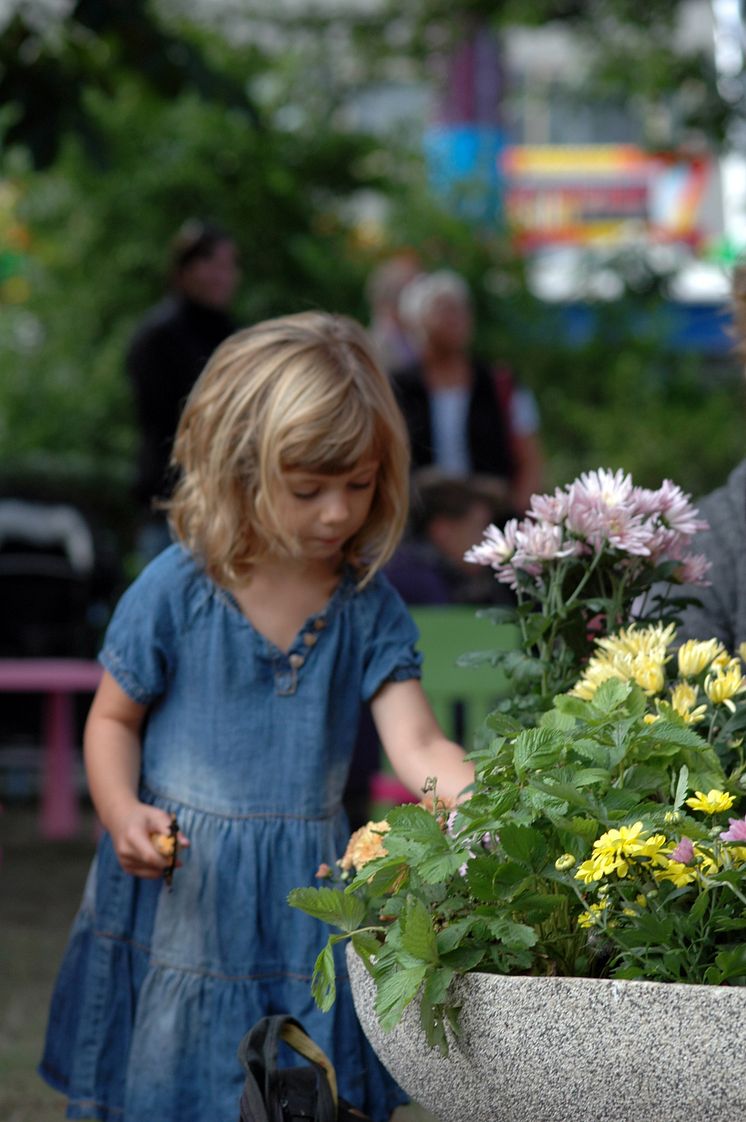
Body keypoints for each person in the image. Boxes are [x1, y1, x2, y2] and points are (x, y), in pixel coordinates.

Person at [39, 312, 473, 1122]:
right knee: (170, 1093)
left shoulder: (365, 607)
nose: (339, 513)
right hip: (182, 899)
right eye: (308, 489)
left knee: (297, 1098)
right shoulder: (177, 589)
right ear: (239, 468)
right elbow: (112, 720)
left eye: (361, 483)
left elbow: (416, 740)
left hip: (305, 907)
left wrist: (477, 797)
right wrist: (120, 810)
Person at [126, 219, 240, 558]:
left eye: (229, 265)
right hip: (171, 503)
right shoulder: (157, 336)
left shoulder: (232, 333)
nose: (222, 275)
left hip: (224, 502)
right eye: (211, 263)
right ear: (185, 268)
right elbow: (165, 420)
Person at [392, 269, 543, 516]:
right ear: (415, 321)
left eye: (461, 309)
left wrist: (517, 516)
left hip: (494, 524)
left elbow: (531, 459)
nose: (455, 318)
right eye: (443, 309)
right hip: (420, 525)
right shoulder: (399, 388)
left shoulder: (500, 383)